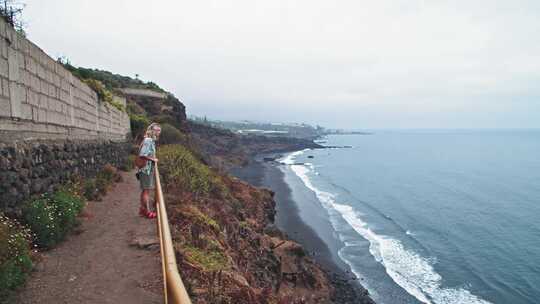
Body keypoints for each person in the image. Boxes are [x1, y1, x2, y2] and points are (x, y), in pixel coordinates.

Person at [138, 122, 161, 219]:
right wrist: (153, 159)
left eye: (159, 130)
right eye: (156, 130)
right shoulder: (148, 140)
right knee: (146, 191)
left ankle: (143, 210)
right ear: (151, 130)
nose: (158, 132)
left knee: (145, 190)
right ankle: (147, 212)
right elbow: (142, 154)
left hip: (146, 169)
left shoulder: (150, 140)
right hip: (146, 170)